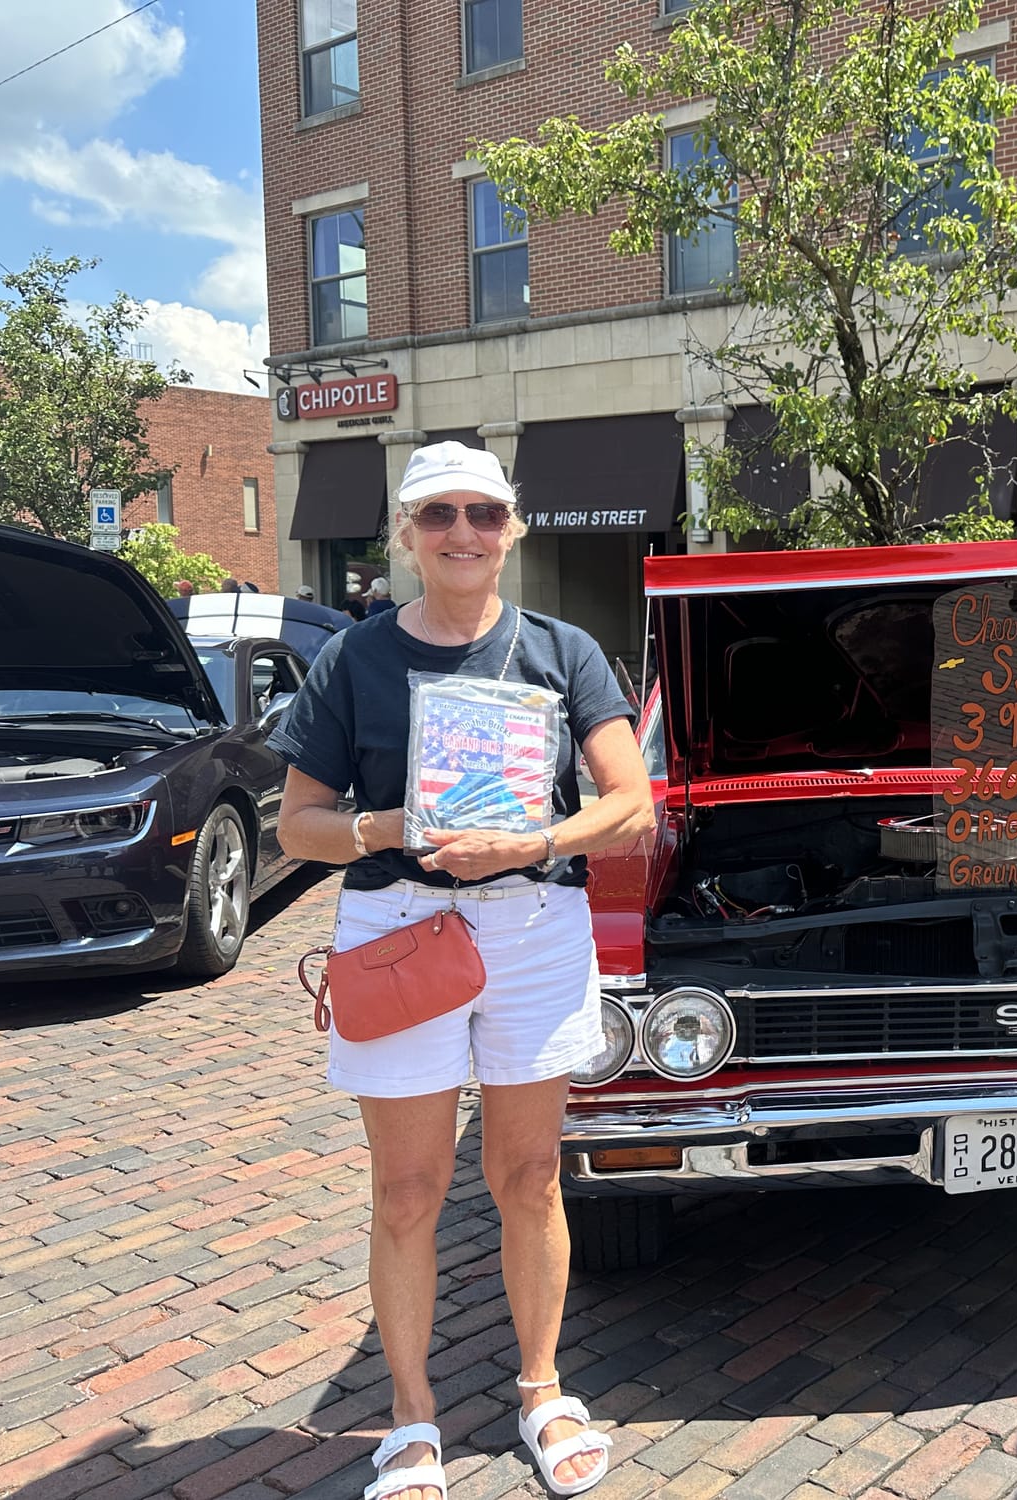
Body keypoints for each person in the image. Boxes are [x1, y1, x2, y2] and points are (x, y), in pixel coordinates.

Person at [270, 441, 655, 1500]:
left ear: (512, 529)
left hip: (531, 925)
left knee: (528, 1178)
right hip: (399, 923)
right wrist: (386, 824)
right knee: (406, 1189)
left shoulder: (563, 651)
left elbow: (632, 803)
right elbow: (297, 827)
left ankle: (540, 1388)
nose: (462, 534)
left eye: (483, 514)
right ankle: (410, 1414)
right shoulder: (355, 660)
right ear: (404, 533)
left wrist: (531, 842)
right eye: (437, 514)